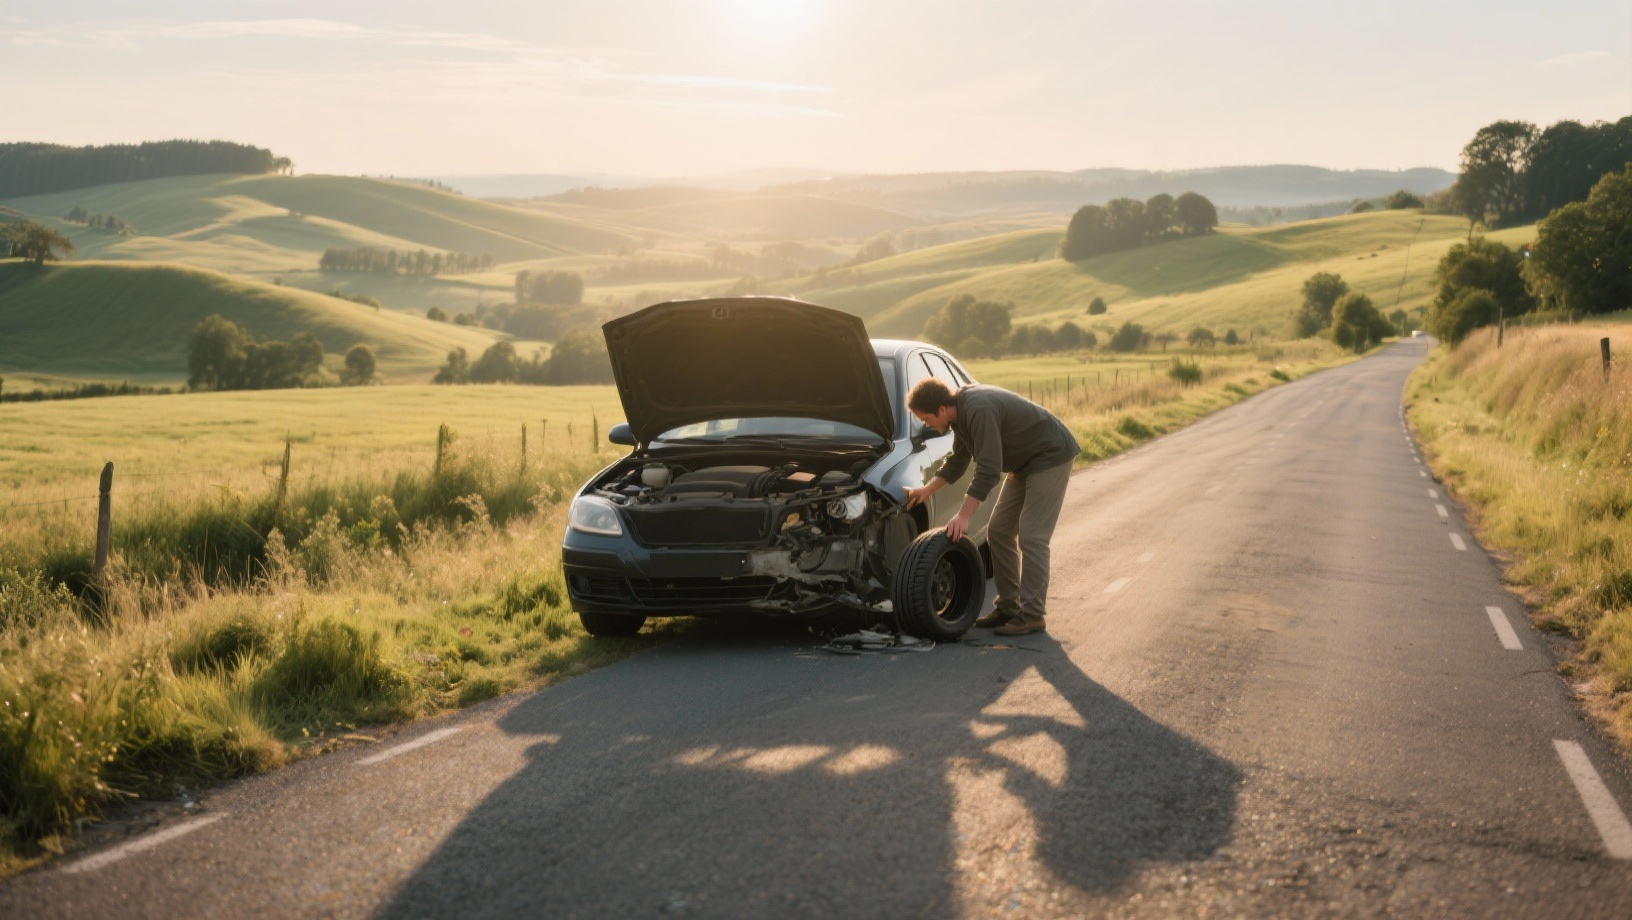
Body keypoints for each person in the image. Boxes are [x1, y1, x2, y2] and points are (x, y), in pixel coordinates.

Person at [903, 378, 1079, 636]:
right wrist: (926, 490)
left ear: (941, 409)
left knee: (1032, 537)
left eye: (927, 420)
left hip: (1050, 455)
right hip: (1024, 463)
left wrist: (963, 516)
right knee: (998, 531)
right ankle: (1009, 607)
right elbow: (959, 460)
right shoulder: (959, 416)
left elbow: (989, 470)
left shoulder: (978, 409)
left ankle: (1032, 616)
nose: (928, 425)